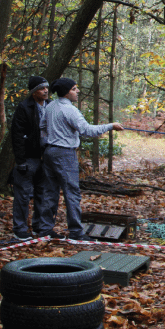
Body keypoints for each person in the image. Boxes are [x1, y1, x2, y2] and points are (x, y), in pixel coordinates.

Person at [38, 78, 124, 240]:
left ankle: (45, 229)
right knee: (72, 193)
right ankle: (76, 232)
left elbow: (42, 127)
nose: (77, 91)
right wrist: (111, 126)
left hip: (50, 152)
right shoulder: (69, 110)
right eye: (74, 89)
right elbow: (87, 130)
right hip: (65, 154)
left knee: (50, 192)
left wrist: (47, 143)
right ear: (65, 92)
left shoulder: (50, 106)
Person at [10, 76, 50, 240]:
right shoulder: (24, 107)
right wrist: (20, 161)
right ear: (34, 92)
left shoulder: (51, 106)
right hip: (28, 158)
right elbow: (17, 135)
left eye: (47, 87)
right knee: (23, 195)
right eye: (42, 88)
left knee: (43, 193)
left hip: (46, 157)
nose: (46, 91)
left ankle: (39, 226)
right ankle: (20, 228)